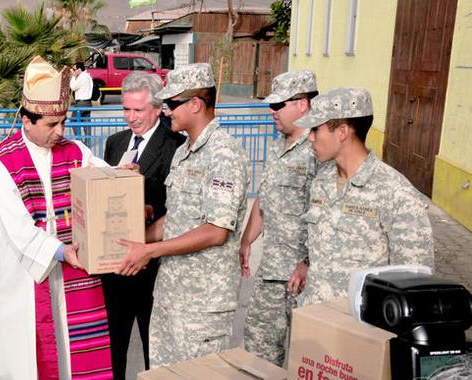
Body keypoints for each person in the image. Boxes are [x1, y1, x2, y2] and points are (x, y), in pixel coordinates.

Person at [0, 56, 112, 379]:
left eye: (63, 121)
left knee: (72, 360)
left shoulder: (76, 151)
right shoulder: (1, 163)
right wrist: (63, 251)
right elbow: (19, 230)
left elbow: (105, 179)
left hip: (74, 276)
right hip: (24, 280)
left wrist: (123, 177)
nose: (60, 131)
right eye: (52, 124)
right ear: (27, 120)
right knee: (27, 363)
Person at [115, 63, 249, 367]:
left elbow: (216, 231)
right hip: (171, 294)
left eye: (172, 103)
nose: (166, 111)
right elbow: (175, 219)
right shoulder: (184, 152)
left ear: (196, 104)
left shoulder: (223, 153)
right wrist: (128, 242)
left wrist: (149, 250)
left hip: (202, 303)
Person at [293, 87, 434, 306]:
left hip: (359, 331)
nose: (309, 137)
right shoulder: (321, 181)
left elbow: (414, 283)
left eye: (315, 129)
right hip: (315, 318)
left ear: (342, 132)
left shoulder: (395, 193)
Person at [101, 72, 184, 378]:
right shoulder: (115, 142)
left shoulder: (176, 146)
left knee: (156, 347)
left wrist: (142, 194)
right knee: (113, 345)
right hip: (115, 264)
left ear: (158, 108)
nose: (130, 117)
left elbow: (178, 208)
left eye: (138, 110)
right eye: (126, 109)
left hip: (152, 266)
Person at [239, 70, 319, 366]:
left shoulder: (319, 149)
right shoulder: (276, 146)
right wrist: (247, 239)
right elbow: (265, 197)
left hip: (305, 278)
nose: (271, 112)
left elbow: (327, 214)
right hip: (272, 270)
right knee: (258, 352)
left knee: (307, 358)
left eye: (278, 105)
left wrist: (309, 261)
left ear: (303, 104)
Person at [69, 61, 93, 139]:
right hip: (88, 102)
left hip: (81, 103)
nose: (73, 71)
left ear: (79, 69)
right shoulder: (88, 76)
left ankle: (79, 140)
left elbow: (73, 87)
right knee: (86, 122)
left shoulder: (82, 77)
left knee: (73, 121)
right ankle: (87, 142)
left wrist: (73, 77)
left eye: (74, 69)